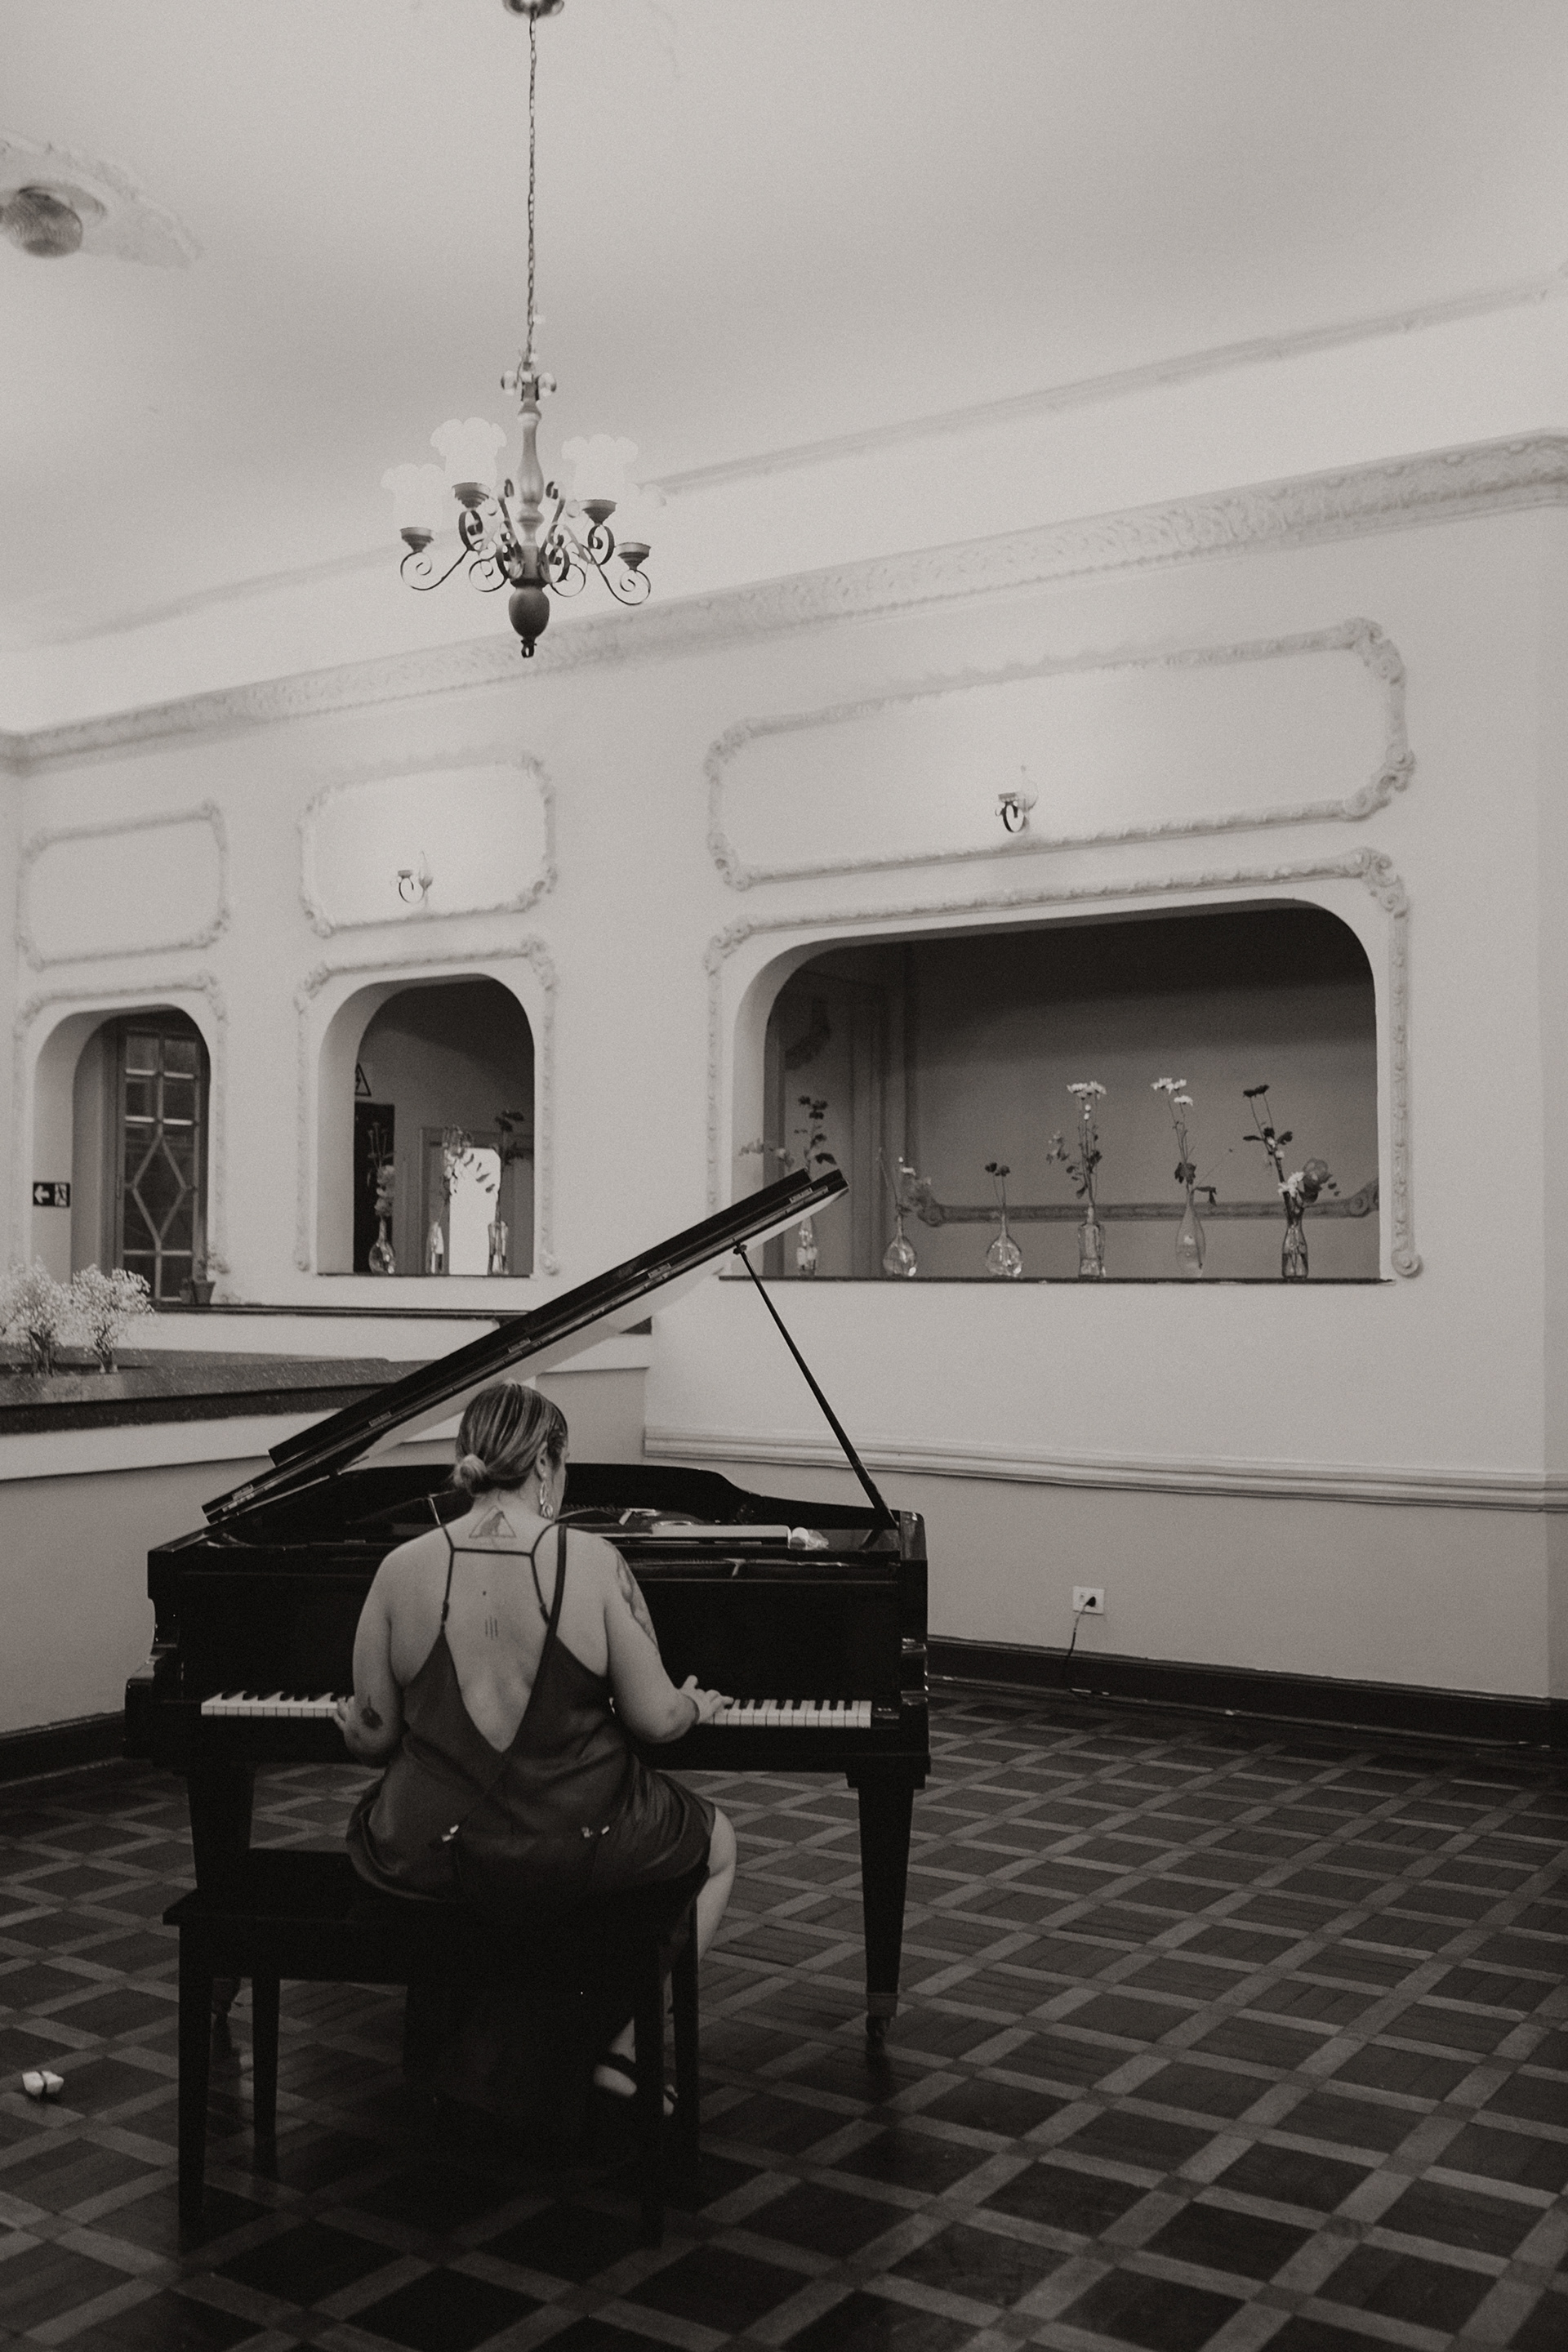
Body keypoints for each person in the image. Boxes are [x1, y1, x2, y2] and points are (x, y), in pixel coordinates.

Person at [335, 1379, 735, 2105]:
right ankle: (621, 2051)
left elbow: (375, 1733)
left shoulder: (400, 1569)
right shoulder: (591, 1561)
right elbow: (657, 1721)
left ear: (469, 1456)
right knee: (722, 1845)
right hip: (570, 1843)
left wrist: (352, 1727)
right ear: (547, 1462)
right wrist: (696, 1706)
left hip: (429, 1850)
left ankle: (467, 2046)